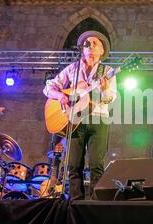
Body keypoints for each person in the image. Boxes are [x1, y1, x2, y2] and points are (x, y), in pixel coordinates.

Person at [44, 30, 117, 200]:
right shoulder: (72, 69)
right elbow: (48, 87)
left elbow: (111, 97)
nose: (90, 46)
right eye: (87, 44)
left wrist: (105, 89)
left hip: (98, 119)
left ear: (102, 51)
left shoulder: (108, 71)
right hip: (75, 120)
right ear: (82, 49)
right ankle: (75, 203)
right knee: (73, 164)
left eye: (95, 43)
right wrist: (61, 96)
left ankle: (94, 203)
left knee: (96, 165)